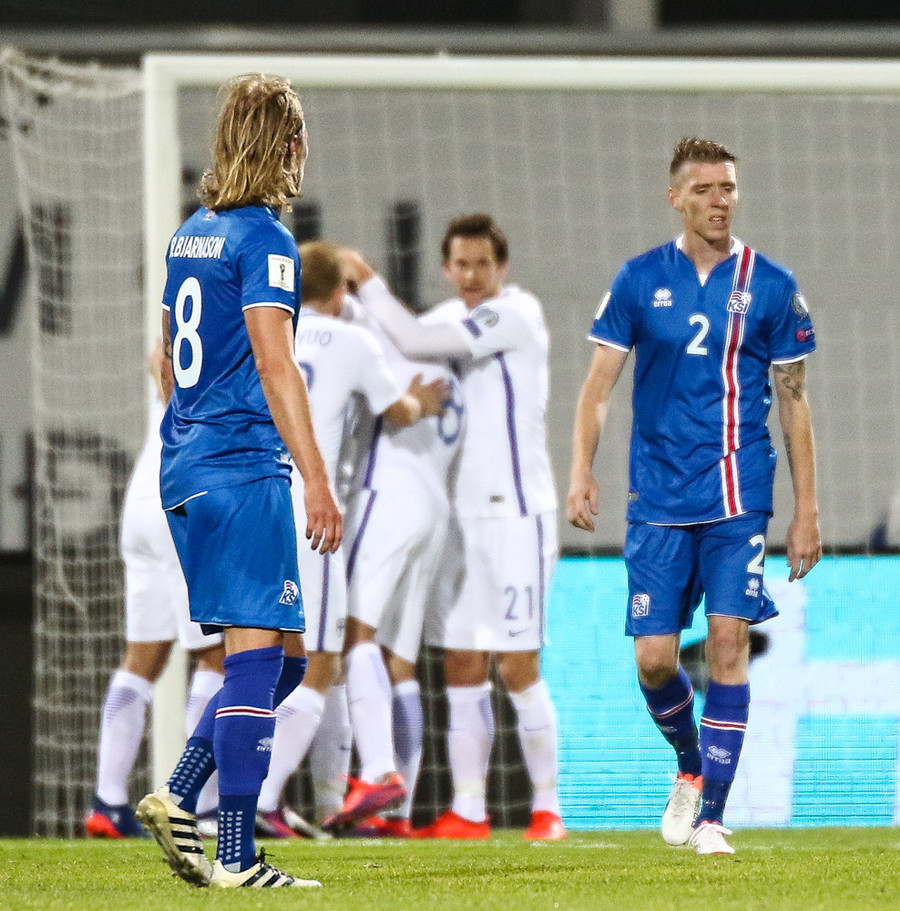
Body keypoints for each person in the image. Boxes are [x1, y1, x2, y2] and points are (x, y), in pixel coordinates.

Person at [566, 137, 822, 855]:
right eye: (705, 189)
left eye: (728, 188)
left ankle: (712, 816)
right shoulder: (638, 279)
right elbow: (598, 387)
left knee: (728, 643)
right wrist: (581, 470)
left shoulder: (772, 285)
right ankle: (689, 763)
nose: (719, 200)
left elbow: (794, 400)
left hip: (739, 490)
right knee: (654, 659)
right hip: (656, 495)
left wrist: (807, 510)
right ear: (675, 197)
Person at [135, 74, 342, 890]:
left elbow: (164, 357)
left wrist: (197, 431)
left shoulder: (190, 235)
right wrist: (316, 477)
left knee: (282, 660)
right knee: (257, 658)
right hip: (240, 466)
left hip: (185, 465)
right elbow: (275, 360)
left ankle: (179, 790)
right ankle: (236, 854)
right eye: (301, 133)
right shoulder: (266, 240)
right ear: (286, 143)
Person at [342, 213, 565, 842]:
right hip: (459, 519)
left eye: (482, 264)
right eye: (461, 265)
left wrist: (364, 277)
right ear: (445, 267)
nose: (471, 276)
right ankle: (468, 810)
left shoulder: (516, 313)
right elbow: (387, 342)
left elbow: (409, 335)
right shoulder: (445, 320)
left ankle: (548, 808)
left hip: (517, 514)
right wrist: (336, 303)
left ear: (502, 267)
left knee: (517, 666)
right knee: (462, 665)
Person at [256, 240, 448, 837]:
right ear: (340, 292)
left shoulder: (270, 336)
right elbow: (399, 409)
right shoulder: (351, 340)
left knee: (277, 659)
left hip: (259, 504)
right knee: (322, 662)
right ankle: (263, 797)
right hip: (313, 509)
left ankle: (290, 797)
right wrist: (424, 401)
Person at [319, 255, 464, 839]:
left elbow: (342, 293)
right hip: (432, 512)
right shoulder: (449, 378)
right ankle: (396, 815)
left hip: (385, 498)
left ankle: (377, 773)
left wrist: (341, 268)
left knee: (351, 637)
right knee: (398, 660)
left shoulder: (380, 350)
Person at [85, 341, 225, 840]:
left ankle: (107, 802)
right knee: (218, 656)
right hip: (182, 503)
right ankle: (204, 807)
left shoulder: (183, 338)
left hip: (141, 505)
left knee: (141, 659)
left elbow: (157, 356)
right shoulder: (233, 341)